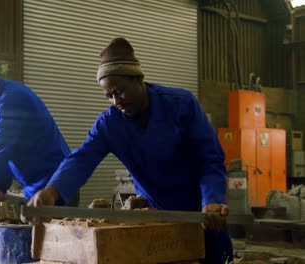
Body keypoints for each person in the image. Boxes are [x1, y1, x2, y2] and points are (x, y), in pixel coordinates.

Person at [28, 38, 233, 263]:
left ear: (139, 79)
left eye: (121, 91)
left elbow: (209, 159)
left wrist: (212, 199)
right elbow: (82, 159)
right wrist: (51, 192)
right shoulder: (110, 123)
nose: (116, 101)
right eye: (109, 96)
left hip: (202, 212)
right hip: (154, 222)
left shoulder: (181, 105)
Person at [0, 69, 76, 221]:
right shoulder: (6, 95)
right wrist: (0, 187)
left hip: (53, 187)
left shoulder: (9, 101)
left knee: (51, 242)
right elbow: (9, 151)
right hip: (42, 185)